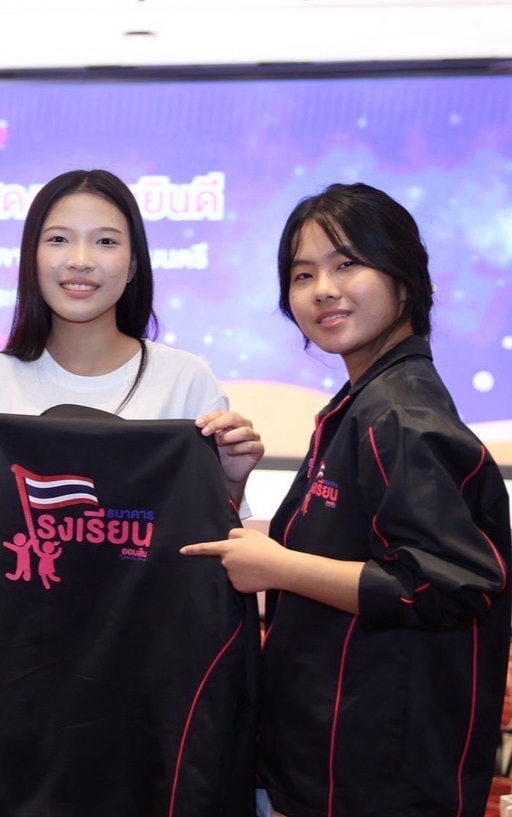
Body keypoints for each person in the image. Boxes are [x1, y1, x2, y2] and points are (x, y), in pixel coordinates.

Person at [181, 183, 511, 817]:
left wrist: (280, 567)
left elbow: (447, 584)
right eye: (303, 275)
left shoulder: (400, 416)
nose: (323, 290)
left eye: (347, 264)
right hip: (327, 768)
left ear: (407, 279)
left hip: (377, 784)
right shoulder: (362, 404)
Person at [0, 168, 263, 498]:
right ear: (31, 257)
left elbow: (207, 527)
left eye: (105, 241)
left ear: (133, 264)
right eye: (59, 239)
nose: (81, 260)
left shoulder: (187, 382)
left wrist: (232, 483)